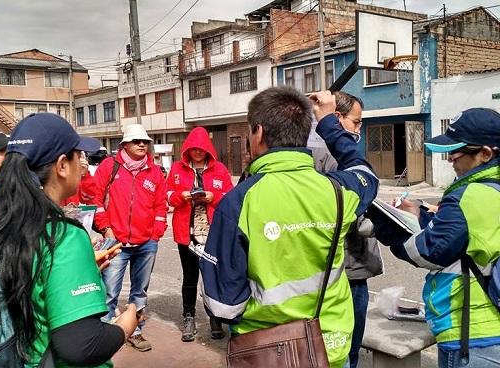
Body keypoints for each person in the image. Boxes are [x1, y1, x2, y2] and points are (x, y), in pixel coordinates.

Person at [200, 87, 379, 367]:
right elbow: (365, 172)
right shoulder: (338, 191)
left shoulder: (237, 203)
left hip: (267, 352)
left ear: (257, 132)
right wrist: (329, 121)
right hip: (330, 348)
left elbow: (223, 305)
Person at [0, 112, 140, 366]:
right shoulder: (63, 236)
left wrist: (81, 270)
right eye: (78, 155)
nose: (82, 163)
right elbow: (82, 346)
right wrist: (126, 325)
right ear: (62, 165)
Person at [368, 108, 500, 368]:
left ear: (485, 154)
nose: (450, 160)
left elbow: (429, 251)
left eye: (456, 153)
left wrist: (383, 224)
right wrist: (419, 213)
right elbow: (466, 238)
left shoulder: (469, 195)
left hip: (472, 332)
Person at [311, 91, 383, 368]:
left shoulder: (310, 153)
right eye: (357, 122)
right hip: (348, 270)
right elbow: (346, 214)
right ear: (336, 118)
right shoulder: (336, 159)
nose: (360, 128)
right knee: (345, 352)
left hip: (329, 270)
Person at [91, 123, 168, 352]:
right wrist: (106, 229)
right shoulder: (109, 167)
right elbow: (95, 199)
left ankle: (134, 331)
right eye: (137, 141)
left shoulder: (154, 171)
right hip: (117, 242)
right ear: (124, 144)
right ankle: (104, 335)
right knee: (109, 291)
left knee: (139, 292)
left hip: (146, 243)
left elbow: (161, 205)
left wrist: (155, 234)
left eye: (145, 141)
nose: (142, 144)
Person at [166, 126, 234, 342]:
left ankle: (215, 317)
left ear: (208, 149)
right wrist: (181, 196)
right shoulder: (177, 168)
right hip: (186, 233)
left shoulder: (220, 169)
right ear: (188, 149)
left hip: (213, 234)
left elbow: (230, 196)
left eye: (201, 148)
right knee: (190, 277)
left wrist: (213, 196)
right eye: (193, 148)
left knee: (212, 277)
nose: (197, 152)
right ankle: (189, 317)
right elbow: (167, 196)